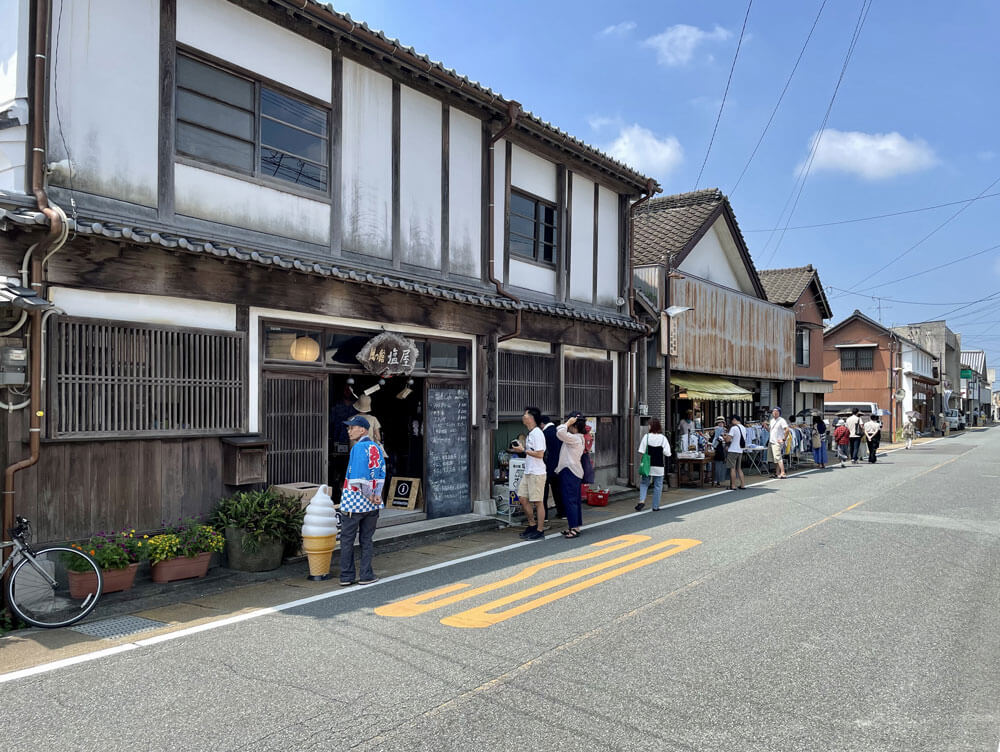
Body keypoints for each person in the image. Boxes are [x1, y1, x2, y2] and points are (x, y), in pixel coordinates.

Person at [339, 415, 386, 586]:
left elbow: (357, 478)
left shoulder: (358, 449)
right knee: (367, 539)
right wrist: (376, 494)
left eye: (352, 427)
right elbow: (381, 474)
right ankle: (366, 574)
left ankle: (346, 575)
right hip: (373, 504)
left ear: (363, 430)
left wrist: (367, 494)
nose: (349, 430)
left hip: (354, 502)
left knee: (347, 539)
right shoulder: (376, 447)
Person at [510, 406, 547, 541]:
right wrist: (523, 449)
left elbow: (540, 454)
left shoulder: (538, 433)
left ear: (531, 418)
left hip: (537, 472)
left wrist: (523, 450)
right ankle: (532, 525)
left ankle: (540, 530)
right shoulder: (531, 433)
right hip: (529, 471)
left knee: (538, 502)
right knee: (522, 498)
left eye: (525, 415)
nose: (523, 417)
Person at [556, 412, 586, 539]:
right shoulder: (580, 437)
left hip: (570, 471)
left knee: (570, 500)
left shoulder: (574, 438)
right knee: (575, 500)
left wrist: (567, 422)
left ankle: (573, 528)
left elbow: (559, 432)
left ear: (574, 425)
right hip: (574, 471)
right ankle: (575, 526)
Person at [635, 418, 670, 511]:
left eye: (649, 425)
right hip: (659, 466)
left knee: (644, 483)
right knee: (658, 486)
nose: (648, 426)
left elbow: (641, 451)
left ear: (652, 426)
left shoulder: (646, 437)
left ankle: (642, 501)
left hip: (647, 465)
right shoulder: (663, 438)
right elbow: (668, 453)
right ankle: (655, 506)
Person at [540, 415, 565, 520]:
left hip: (546, 466)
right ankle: (562, 513)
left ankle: (544, 516)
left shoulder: (543, 434)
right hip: (559, 466)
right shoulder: (559, 432)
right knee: (558, 490)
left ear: (541, 424)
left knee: (543, 492)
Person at [723, 414, 747, 490]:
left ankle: (733, 485)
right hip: (740, 450)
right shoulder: (743, 428)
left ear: (734, 420)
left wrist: (724, 437)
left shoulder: (734, 428)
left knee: (732, 468)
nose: (731, 422)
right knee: (739, 468)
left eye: (732, 420)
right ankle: (742, 485)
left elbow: (728, 440)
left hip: (733, 450)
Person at [767, 407, 790, 479]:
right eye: (773, 411)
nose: (774, 413)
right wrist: (766, 427)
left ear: (779, 413)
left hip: (777, 442)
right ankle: (777, 473)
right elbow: (770, 430)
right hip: (772, 441)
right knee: (775, 459)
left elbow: (787, 430)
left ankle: (783, 472)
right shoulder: (771, 420)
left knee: (778, 457)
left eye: (776, 411)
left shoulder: (781, 420)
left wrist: (783, 439)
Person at [710, 415, 728, 487]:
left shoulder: (725, 430)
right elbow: (712, 440)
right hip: (718, 449)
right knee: (717, 466)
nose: (720, 424)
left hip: (723, 449)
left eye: (722, 422)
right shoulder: (714, 430)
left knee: (722, 466)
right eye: (719, 423)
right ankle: (717, 481)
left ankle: (720, 480)